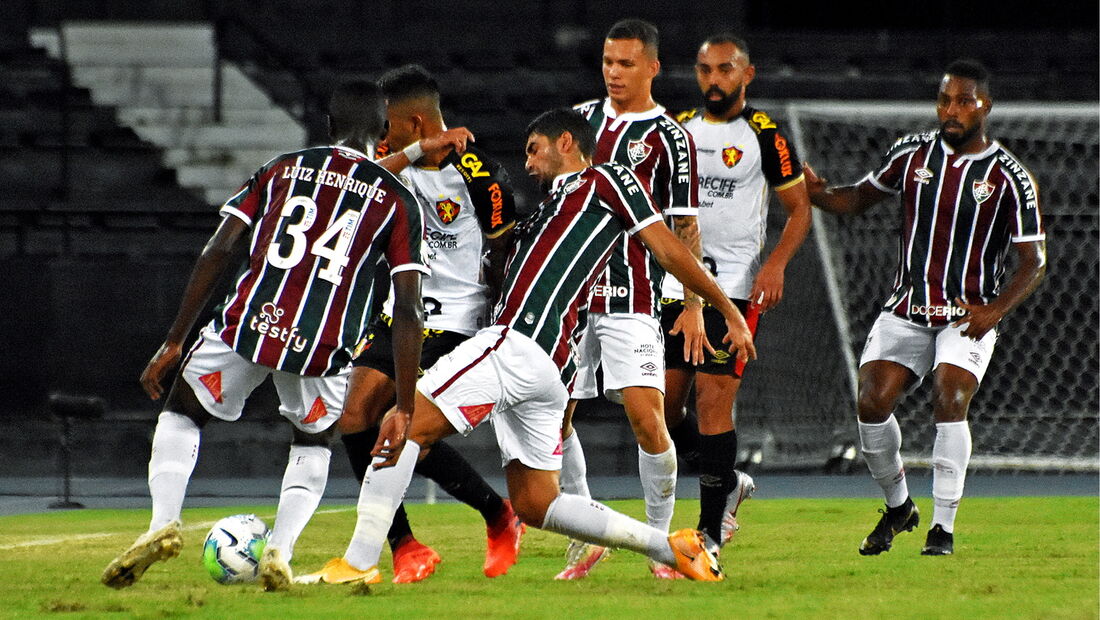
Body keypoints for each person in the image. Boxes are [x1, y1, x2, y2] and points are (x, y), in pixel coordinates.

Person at [302, 108, 756, 586]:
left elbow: (668, 248)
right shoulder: (545, 212)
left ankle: (357, 562)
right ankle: (670, 548)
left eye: (533, 149)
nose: (528, 163)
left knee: (405, 422)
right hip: (548, 370)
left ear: (566, 143)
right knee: (537, 504)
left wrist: (724, 310)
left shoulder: (606, 180)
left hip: (517, 345)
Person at [98, 81, 441, 591]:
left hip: (251, 320)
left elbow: (220, 248)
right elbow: (409, 308)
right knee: (313, 441)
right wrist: (405, 404)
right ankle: (279, 551)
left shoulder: (280, 168)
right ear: (384, 132)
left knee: (182, 411)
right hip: (324, 342)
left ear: (328, 127)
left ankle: (162, 523)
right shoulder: (397, 199)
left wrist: (174, 339)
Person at [804, 59, 1046, 556]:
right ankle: (898, 508)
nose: (951, 110)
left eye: (963, 100)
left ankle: (943, 527)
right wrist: (816, 193)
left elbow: (1033, 261)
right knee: (871, 403)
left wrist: (994, 310)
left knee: (949, 396)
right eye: (944, 100)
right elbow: (856, 200)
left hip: (967, 312)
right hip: (908, 305)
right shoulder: (911, 154)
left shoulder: (1009, 177)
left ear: (987, 105)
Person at [300, 64, 522, 585]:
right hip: (399, 313)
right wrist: (415, 153)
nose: (379, 136)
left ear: (416, 121)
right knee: (354, 416)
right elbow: (353, 182)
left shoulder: (481, 175)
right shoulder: (384, 165)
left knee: (402, 425)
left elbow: (505, 253)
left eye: (388, 127)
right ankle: (410, 545)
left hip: (458, 317)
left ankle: (495, 517)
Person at [660, 34, 813, 557]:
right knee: (662, 409)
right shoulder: (676, 130)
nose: (713, 80)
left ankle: (708, 535)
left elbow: (799, 209)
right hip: (678, 287)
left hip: (737, 288)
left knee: (712, 399)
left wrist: (775, 265)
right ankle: (727, 480)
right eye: (704, 70)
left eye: (724, 69)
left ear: (747, 74)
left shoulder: (764, 134)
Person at [561, 17, 702, 580]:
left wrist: (692, 305)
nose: (613, 72)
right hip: (569, 297)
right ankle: (584, 535)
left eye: (625, 63)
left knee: (650, 420)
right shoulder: (578, 122)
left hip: (632, 296)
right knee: (555, 420)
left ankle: (658, 544)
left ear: (653, 67)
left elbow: (686, 227)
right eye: (607, 62)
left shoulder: (672, 139)